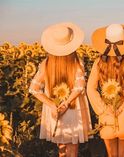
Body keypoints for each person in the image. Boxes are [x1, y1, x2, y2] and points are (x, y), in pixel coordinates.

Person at [29, 22, 92, 157]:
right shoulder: (76, 62)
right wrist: (67, 102)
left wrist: (52, 104)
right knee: (73, 148)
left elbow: (34, 88)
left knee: (61, 148)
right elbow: (79, 86)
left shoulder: (46, 63)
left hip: (55, 109)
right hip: (73, 108)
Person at [87, 24, 124, 157]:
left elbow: (90, 88)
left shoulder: (99, 62)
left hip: (106, 113)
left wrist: (103, 108)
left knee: (111, 154)